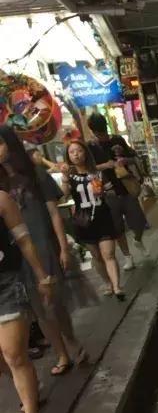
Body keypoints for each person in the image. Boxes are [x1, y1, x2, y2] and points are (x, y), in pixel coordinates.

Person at [0, 125, 87, 376]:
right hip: (16, 255)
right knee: (39, 311)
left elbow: (54, 214)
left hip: (43, 245)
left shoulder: (35, 174)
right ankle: (61, 354)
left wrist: (63, 247)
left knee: (54, 304)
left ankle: (71, 341)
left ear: (11, 144)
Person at [0, 188, 53, 413]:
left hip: (6, 283)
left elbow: (24, 240)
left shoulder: (1, 198)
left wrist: (42, 276)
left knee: (13, 353)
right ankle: (29, 388)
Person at [61, 140, 124, 301]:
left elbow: (112, 192)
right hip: (84, 221)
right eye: (72, 152)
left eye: (79, 151)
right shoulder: (70, 176)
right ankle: (107, 282)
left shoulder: (98, 173)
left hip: (103, 217)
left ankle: (117, 287)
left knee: (108, 254)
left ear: (85, 153)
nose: (76, 154)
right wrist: (65, 179)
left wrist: (103, 192)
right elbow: (64, 196)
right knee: (96, 256)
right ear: (68, 156)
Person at [87, 112, 149, 269]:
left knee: (139, 222)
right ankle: (128, 257)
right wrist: (105, 165)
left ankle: (137, 240)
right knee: (117, 228)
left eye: (103, 132)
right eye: (99, 133)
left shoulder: (118, 140)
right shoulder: (91, 147)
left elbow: (133, 158)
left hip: (126, 187)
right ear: (93, 131)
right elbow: (89, 168)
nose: (102, 136)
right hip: (107, 192)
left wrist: (124, 160)